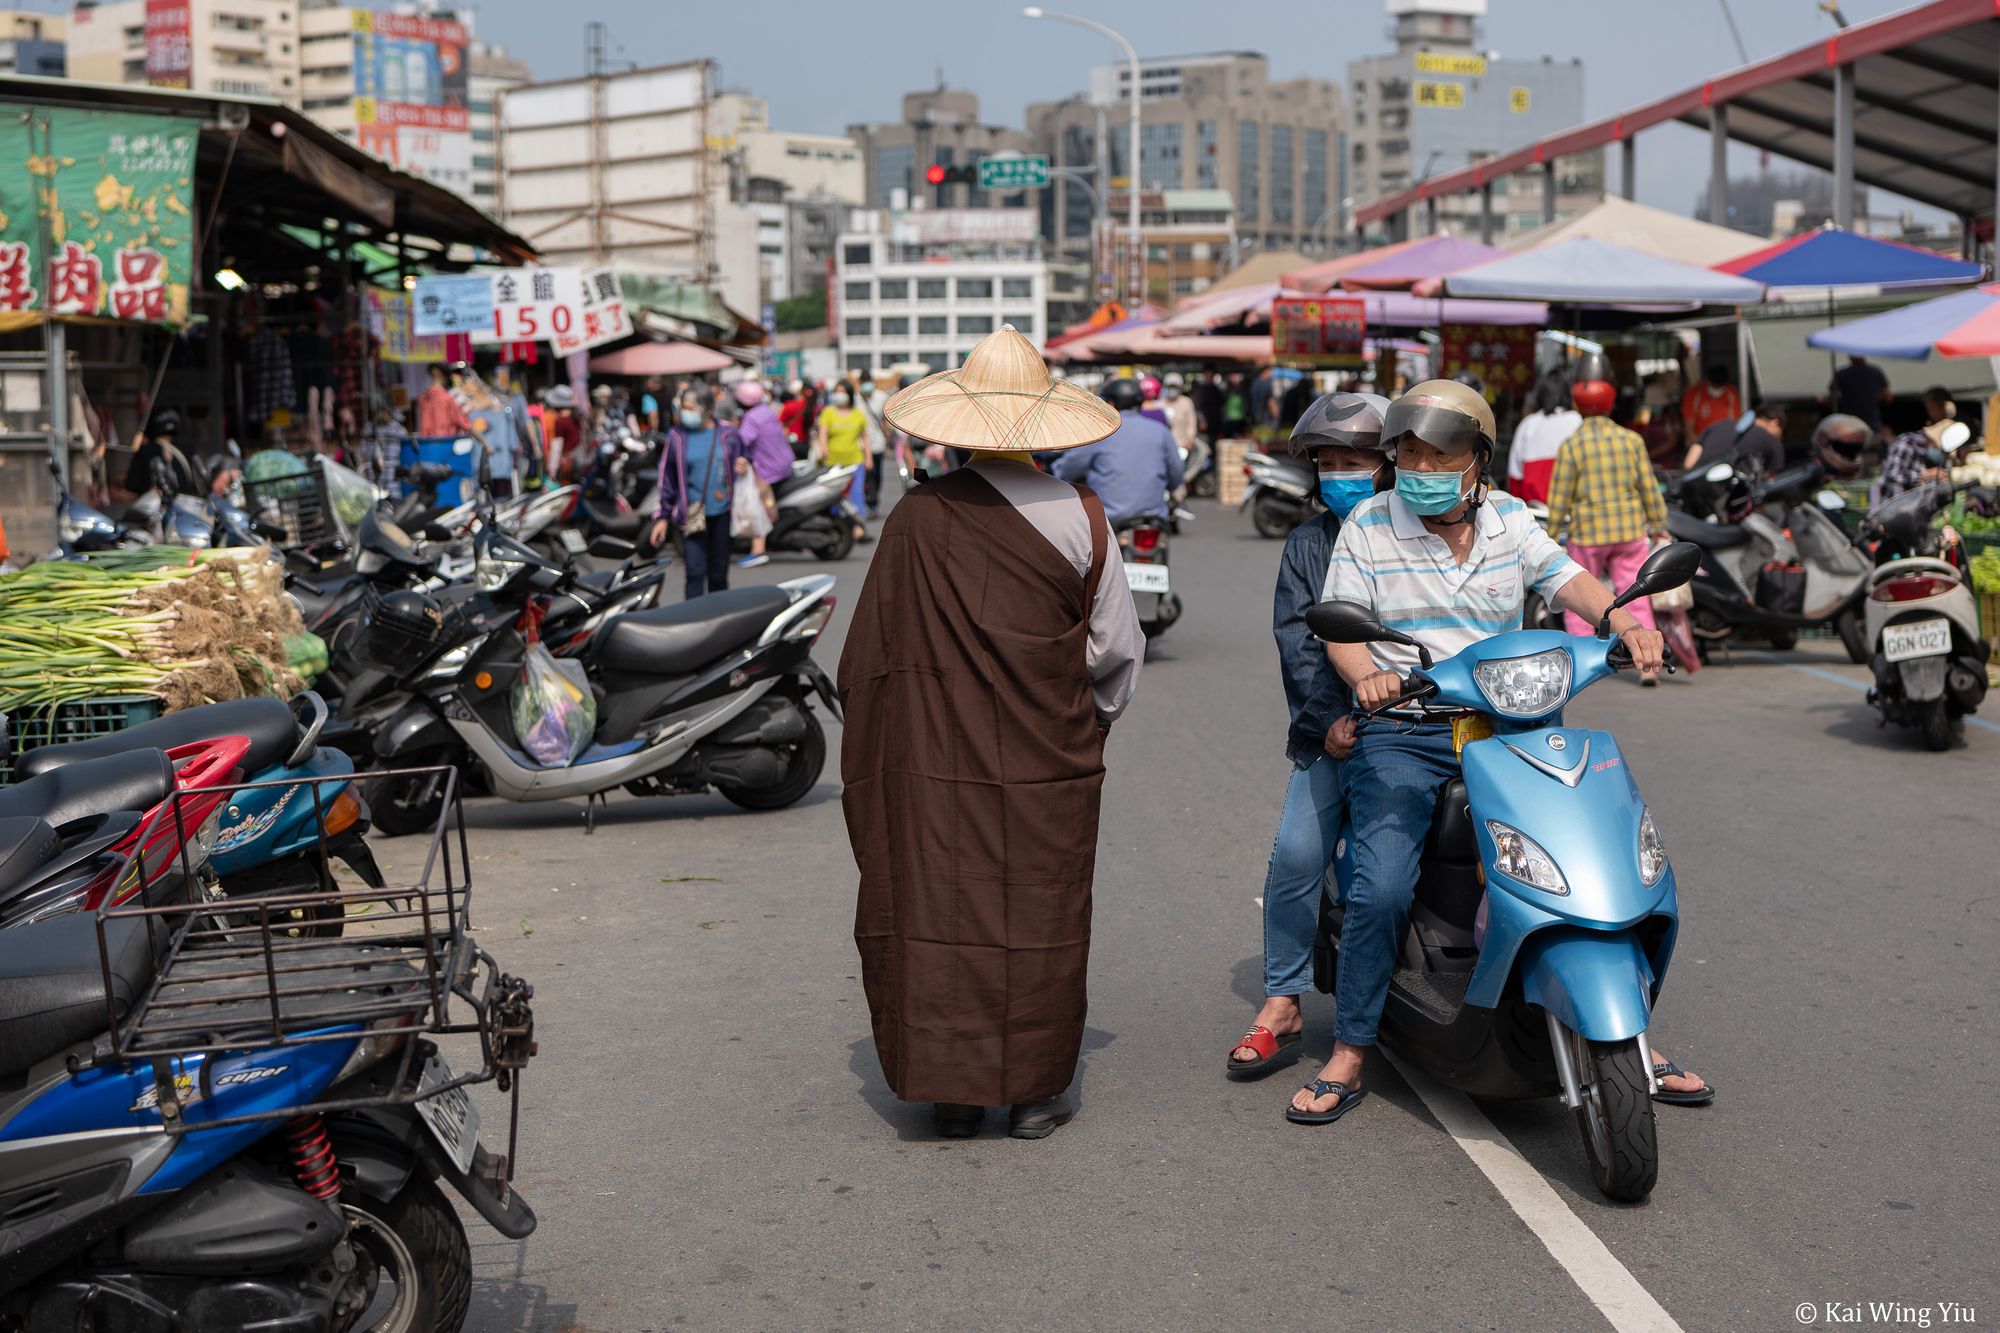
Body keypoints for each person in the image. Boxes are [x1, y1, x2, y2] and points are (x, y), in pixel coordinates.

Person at [1298, 378, 1709, 1123]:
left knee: (1597, 858)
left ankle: (1632, 1036)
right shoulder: (1367, 525)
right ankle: (1353, 1046)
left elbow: (1571, 580)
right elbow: (1340, 629)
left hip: (1513, 722)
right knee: (1384, 881)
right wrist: (1368, 676)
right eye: (1411, 451)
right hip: (1411, 726)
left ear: (1478, 462)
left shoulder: (1511, 521)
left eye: (1440, 452)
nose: (1422, 464)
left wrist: (1625, 620)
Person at [842, 324, 1144, 1141]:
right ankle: (1037, 1090)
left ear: (961, 426)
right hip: (1050, 757)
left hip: (937, 763)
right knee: (1040, 911)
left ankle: (955, 1085)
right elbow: (1116, 648)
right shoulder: (1084, 514)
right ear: (1046, 425)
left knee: (944, 902)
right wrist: (1084, 725)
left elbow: (871, 659)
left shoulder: (915, 519)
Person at [1226, 392, 1391, 1078]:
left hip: (1434, 725)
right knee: (1296, 856)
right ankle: (1283, 1001)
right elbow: (1299, 644)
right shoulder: (1306, 544)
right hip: (1334, 730)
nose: (1339, 473)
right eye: (1328, 463)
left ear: (1387, 465)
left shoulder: (1422, 531)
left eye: (1353, 459)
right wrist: (1330, 724)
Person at [1542, 372, 1669, 678]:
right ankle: (1647, 664)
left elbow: (1560, 497)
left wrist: (1549, 535)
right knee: (1635, 596)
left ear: (1578, 405)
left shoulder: (1572, 445)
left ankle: (1586, 666)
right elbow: (1648, 487)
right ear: (1612, 404)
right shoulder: (1631, 440)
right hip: (1628, 532)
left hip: (1587, 534)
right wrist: (1658, 523)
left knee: (1580, 599)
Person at [650, 388, 747, 600]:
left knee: (719, 574)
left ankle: (718, 621)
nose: (686, 412)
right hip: (692, 513)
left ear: (709, 409)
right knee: (694, 573)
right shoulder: (677, 437)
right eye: (683, 407)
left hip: (723, 513)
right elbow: (667, 479)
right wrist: (662, 518)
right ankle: (692, 620)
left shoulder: (728, 434)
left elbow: (745, 460)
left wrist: (744, 466)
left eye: (691, 408)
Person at [1051, 378, 1182, 528]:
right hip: (1154, 519)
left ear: (1111, 404)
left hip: (1109, 521)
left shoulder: (1101, 432)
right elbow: (1176, 475)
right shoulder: (1160, 431)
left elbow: (1067, 469)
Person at [734, 380, 792, 568]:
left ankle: (758, 550)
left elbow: (741, 442)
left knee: (756, 507)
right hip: (785, 464)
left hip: (768, 471)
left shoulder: (751, 418)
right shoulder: (767, 411)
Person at [1503, 372, 1580, 505]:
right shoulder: (1576, 421)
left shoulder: (1528, 424)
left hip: (1533, 510)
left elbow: (1515, 476)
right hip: (1569, 507)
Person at [814, 383, 871, 544]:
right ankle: (837, 526)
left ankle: (858, 528)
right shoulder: (828, 413)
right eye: (837, 391)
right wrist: (823, 450)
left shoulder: (858, 414)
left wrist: (868, 458)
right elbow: (822, 433)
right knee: (833, 496)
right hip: (833, 463)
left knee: (857, 494)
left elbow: (865, 437)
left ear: (850, 394)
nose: (839, 395)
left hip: (854, 461)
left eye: (843, 392)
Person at [1685, 401, 1785, 474]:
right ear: (1775, 422)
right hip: (1727, 495)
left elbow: (1689, 463)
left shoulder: (1721, 424)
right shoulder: (1772, 442)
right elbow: (1769, 480)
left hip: (1696, 485)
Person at [123, 409, 198, 498]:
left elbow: (132, 484)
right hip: (183, 506)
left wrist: (146, 491)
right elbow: (198, 483)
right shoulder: (188, 449)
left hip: (155, 506)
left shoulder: (144, 451)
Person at [415, 363, 487, 452]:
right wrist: (485, 444)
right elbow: (465, 424)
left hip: (425, 448)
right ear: (444, 377)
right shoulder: (447, 399)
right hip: (445, 448)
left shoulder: (422, 399)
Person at [1827, 354, 1890, 437]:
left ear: (1850, 357)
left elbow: (1831, 400)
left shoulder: (1842, 374)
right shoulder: (1876, 372)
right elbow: (1888, 398)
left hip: (1849, 424)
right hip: (1873, 423)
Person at [1680, 362, 1741, 442]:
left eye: (1720, 387)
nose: (1717, 390)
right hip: (1699, 442)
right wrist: (1699, 447)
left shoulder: (1731, 393)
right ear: (1707, 381)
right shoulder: (1693, 394)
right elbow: (1689, 428)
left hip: (1724, 442)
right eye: (1714, 386)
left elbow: (1735, 424)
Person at [543, 385, 583, 482]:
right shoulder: (576, 418)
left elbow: (557, 445)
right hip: (576, 461)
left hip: (564, 463)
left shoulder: (561, 420)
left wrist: (552, 469)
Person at [1162, 372, 1199, 455]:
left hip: (1182, 445)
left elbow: (1192, 423)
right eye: (1170, 387)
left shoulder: (1186, 402)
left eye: (1175, 387)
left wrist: (1190, 439)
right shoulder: (1161, 403)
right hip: (1164, 446)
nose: (1172, 389)